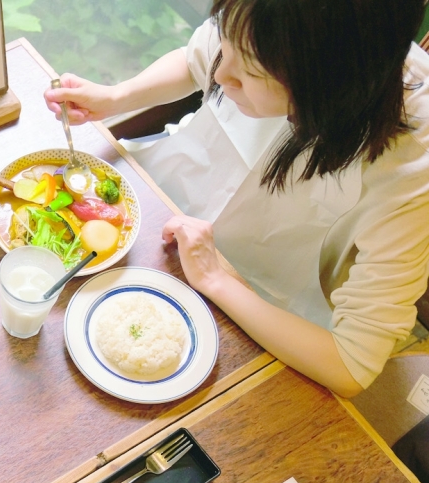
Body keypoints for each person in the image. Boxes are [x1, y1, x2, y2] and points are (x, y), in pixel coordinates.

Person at [45, 0, 429, 397]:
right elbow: (194, 61)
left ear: (324, 87)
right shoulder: (271, 16)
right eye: (226, 45)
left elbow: (352, 364)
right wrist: (116, 97)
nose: (220, 74)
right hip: (157, 207)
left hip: (258, 311)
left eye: (248, 73)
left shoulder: (414, 165)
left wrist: (216, 279)